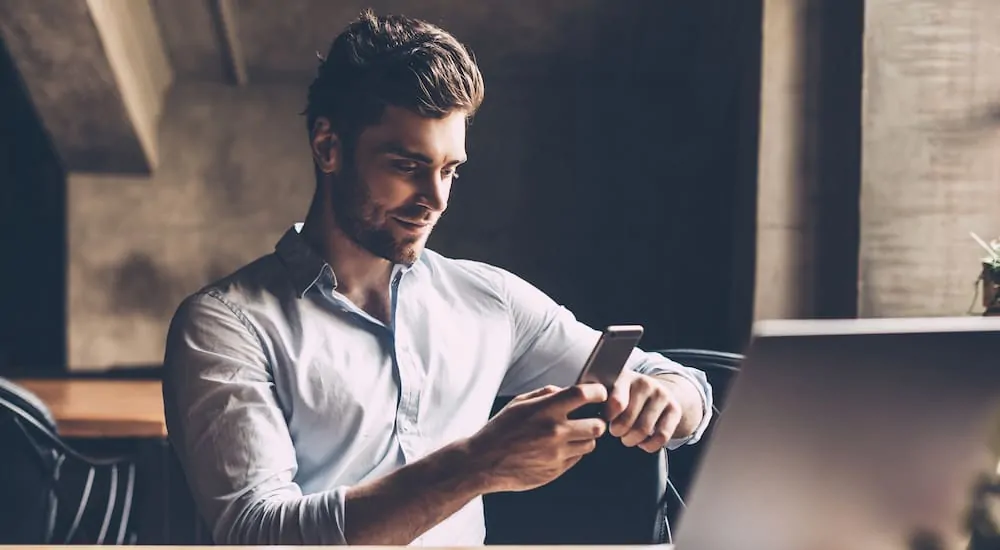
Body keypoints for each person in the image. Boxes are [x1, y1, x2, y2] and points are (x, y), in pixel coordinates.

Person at [162, 10, 713, 547]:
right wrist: (474, 466)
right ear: (328, 147)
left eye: (449, 170)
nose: (436, 199)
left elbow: (675, 381)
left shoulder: (488, 300)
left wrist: (669, 399)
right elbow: (257, 536)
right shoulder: (224, 325)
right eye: (407, 166)